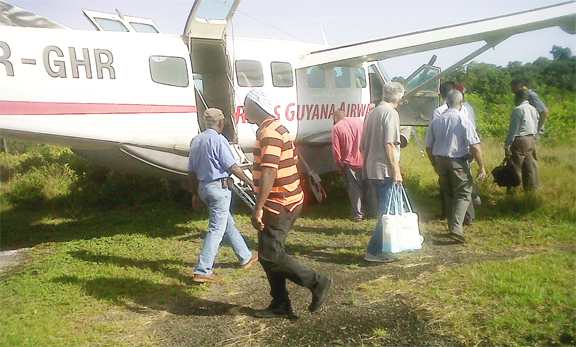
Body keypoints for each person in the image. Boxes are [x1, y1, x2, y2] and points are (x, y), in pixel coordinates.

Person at [244, 88, 332, 319]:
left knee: (270, 256)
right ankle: (280, 304)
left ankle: (317, 283)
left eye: (246, 105)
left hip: (279, 204)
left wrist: (258, 208)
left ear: (257, 107)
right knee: (270, 254)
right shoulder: (276, 128)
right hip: (287, 200)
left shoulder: (270, 133)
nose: (243, 110)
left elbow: (269, 171)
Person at [188, 108, 259, 283]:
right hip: (218, 189)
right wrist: (250, 182)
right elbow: (232, 167)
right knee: (216, 230)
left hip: (203, 188)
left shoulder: (196, 140)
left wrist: (195, 194)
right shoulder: (219, 140)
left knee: (227, 223)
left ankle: (245, 256)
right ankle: (203, 270)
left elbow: (190, 171)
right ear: (221, 123)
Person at [425, 90, 486, 243]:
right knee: (464, 193)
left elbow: (428, 147)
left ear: (446, 102)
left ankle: (452, 225)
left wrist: (434, 163)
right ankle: (456, 228)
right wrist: (481, 166)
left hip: (440, 160)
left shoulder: (436, 121)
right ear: (461, 102)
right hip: (458, 161)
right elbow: (475, 146)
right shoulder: (463, 120)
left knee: (448, 193)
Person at [361, 82, 405, 263]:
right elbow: (389, 144)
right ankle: (374, 250)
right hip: (385, 170)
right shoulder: (390, 113)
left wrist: (367, 169)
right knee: (388, 212)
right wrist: (396, 171)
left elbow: (363, 146)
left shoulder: (372, 113)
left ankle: (387, 247)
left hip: (373, 168)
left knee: (387, 210)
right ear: (400, 98)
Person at [332, 108, 377, 222]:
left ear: (335, 118)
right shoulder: (360, 121)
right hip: (365, 160)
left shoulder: (337, 128)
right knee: (369, 187)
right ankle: (373, 212)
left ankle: (358, 214)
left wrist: (339, 165)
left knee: (355, 191)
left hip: (350, 164)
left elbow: (336, 151)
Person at [505, 89, 540, 192]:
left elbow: (513, 130)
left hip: (520, 140)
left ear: (517, 97)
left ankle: (512, 193)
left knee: (515, 168)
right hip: (531, 140)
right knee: (529, 169)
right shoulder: (533, 109)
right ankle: (530, 193)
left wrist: (507, 145)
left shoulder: (518, 109)